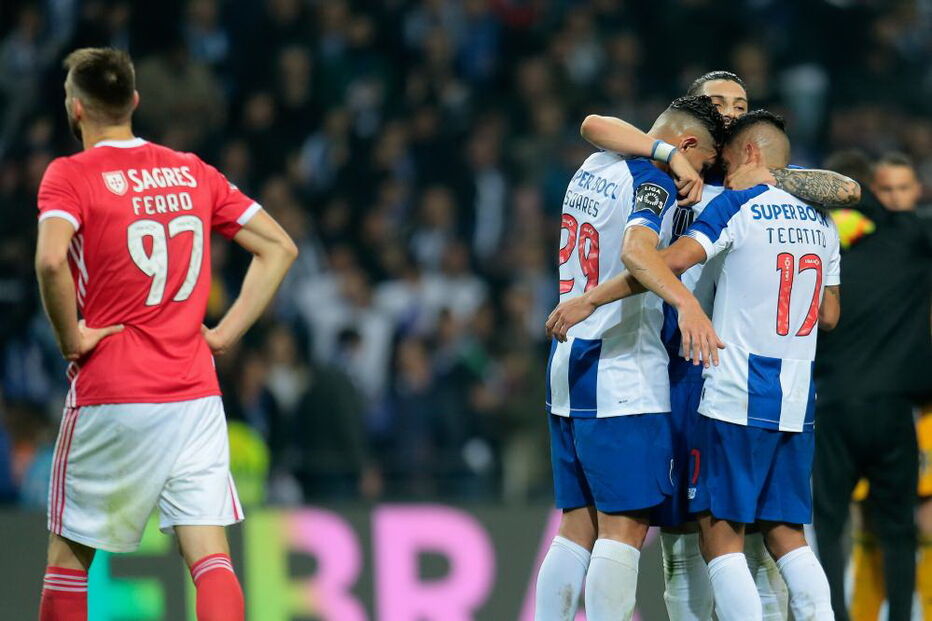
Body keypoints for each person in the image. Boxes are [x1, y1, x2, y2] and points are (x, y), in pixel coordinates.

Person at [562, 70, 860, 621]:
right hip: (681, 366)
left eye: (740, 103)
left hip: (723, 368)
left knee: (747, 538)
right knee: (686, 537)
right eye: (718, 101)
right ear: (694, 116)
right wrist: (671, 156)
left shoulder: (748, 191)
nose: (730, 109)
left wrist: (769, 173)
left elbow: (848, 189)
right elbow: (594, 125)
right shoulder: (670, 169)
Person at [34, 48, 297, 621]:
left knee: (69, 558)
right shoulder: (191, 170)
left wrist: (70, 338)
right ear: (134, 100)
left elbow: (51, 261)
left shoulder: (70, 175)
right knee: (210, 557)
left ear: (75, 108)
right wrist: (223, 333)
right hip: (193, 394)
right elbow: (279, 247)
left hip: (112, 390)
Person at [534, 95, 725, 621]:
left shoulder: (597, 163)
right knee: (625, 527)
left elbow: (594, 122)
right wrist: (686, 302)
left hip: (569, 361)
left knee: (577, 526)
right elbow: (637, 253)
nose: (698, 177)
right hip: (621, 369)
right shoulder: (653, 180)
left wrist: (670, 154)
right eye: (702, 163)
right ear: (687, 145)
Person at [813, 150, 932, 621]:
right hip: (891, 407)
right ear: (872, 190)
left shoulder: (819, 241)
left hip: (833, 401)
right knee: (898, 528)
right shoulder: (912, 236)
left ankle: (835, 616)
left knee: (829, 524)